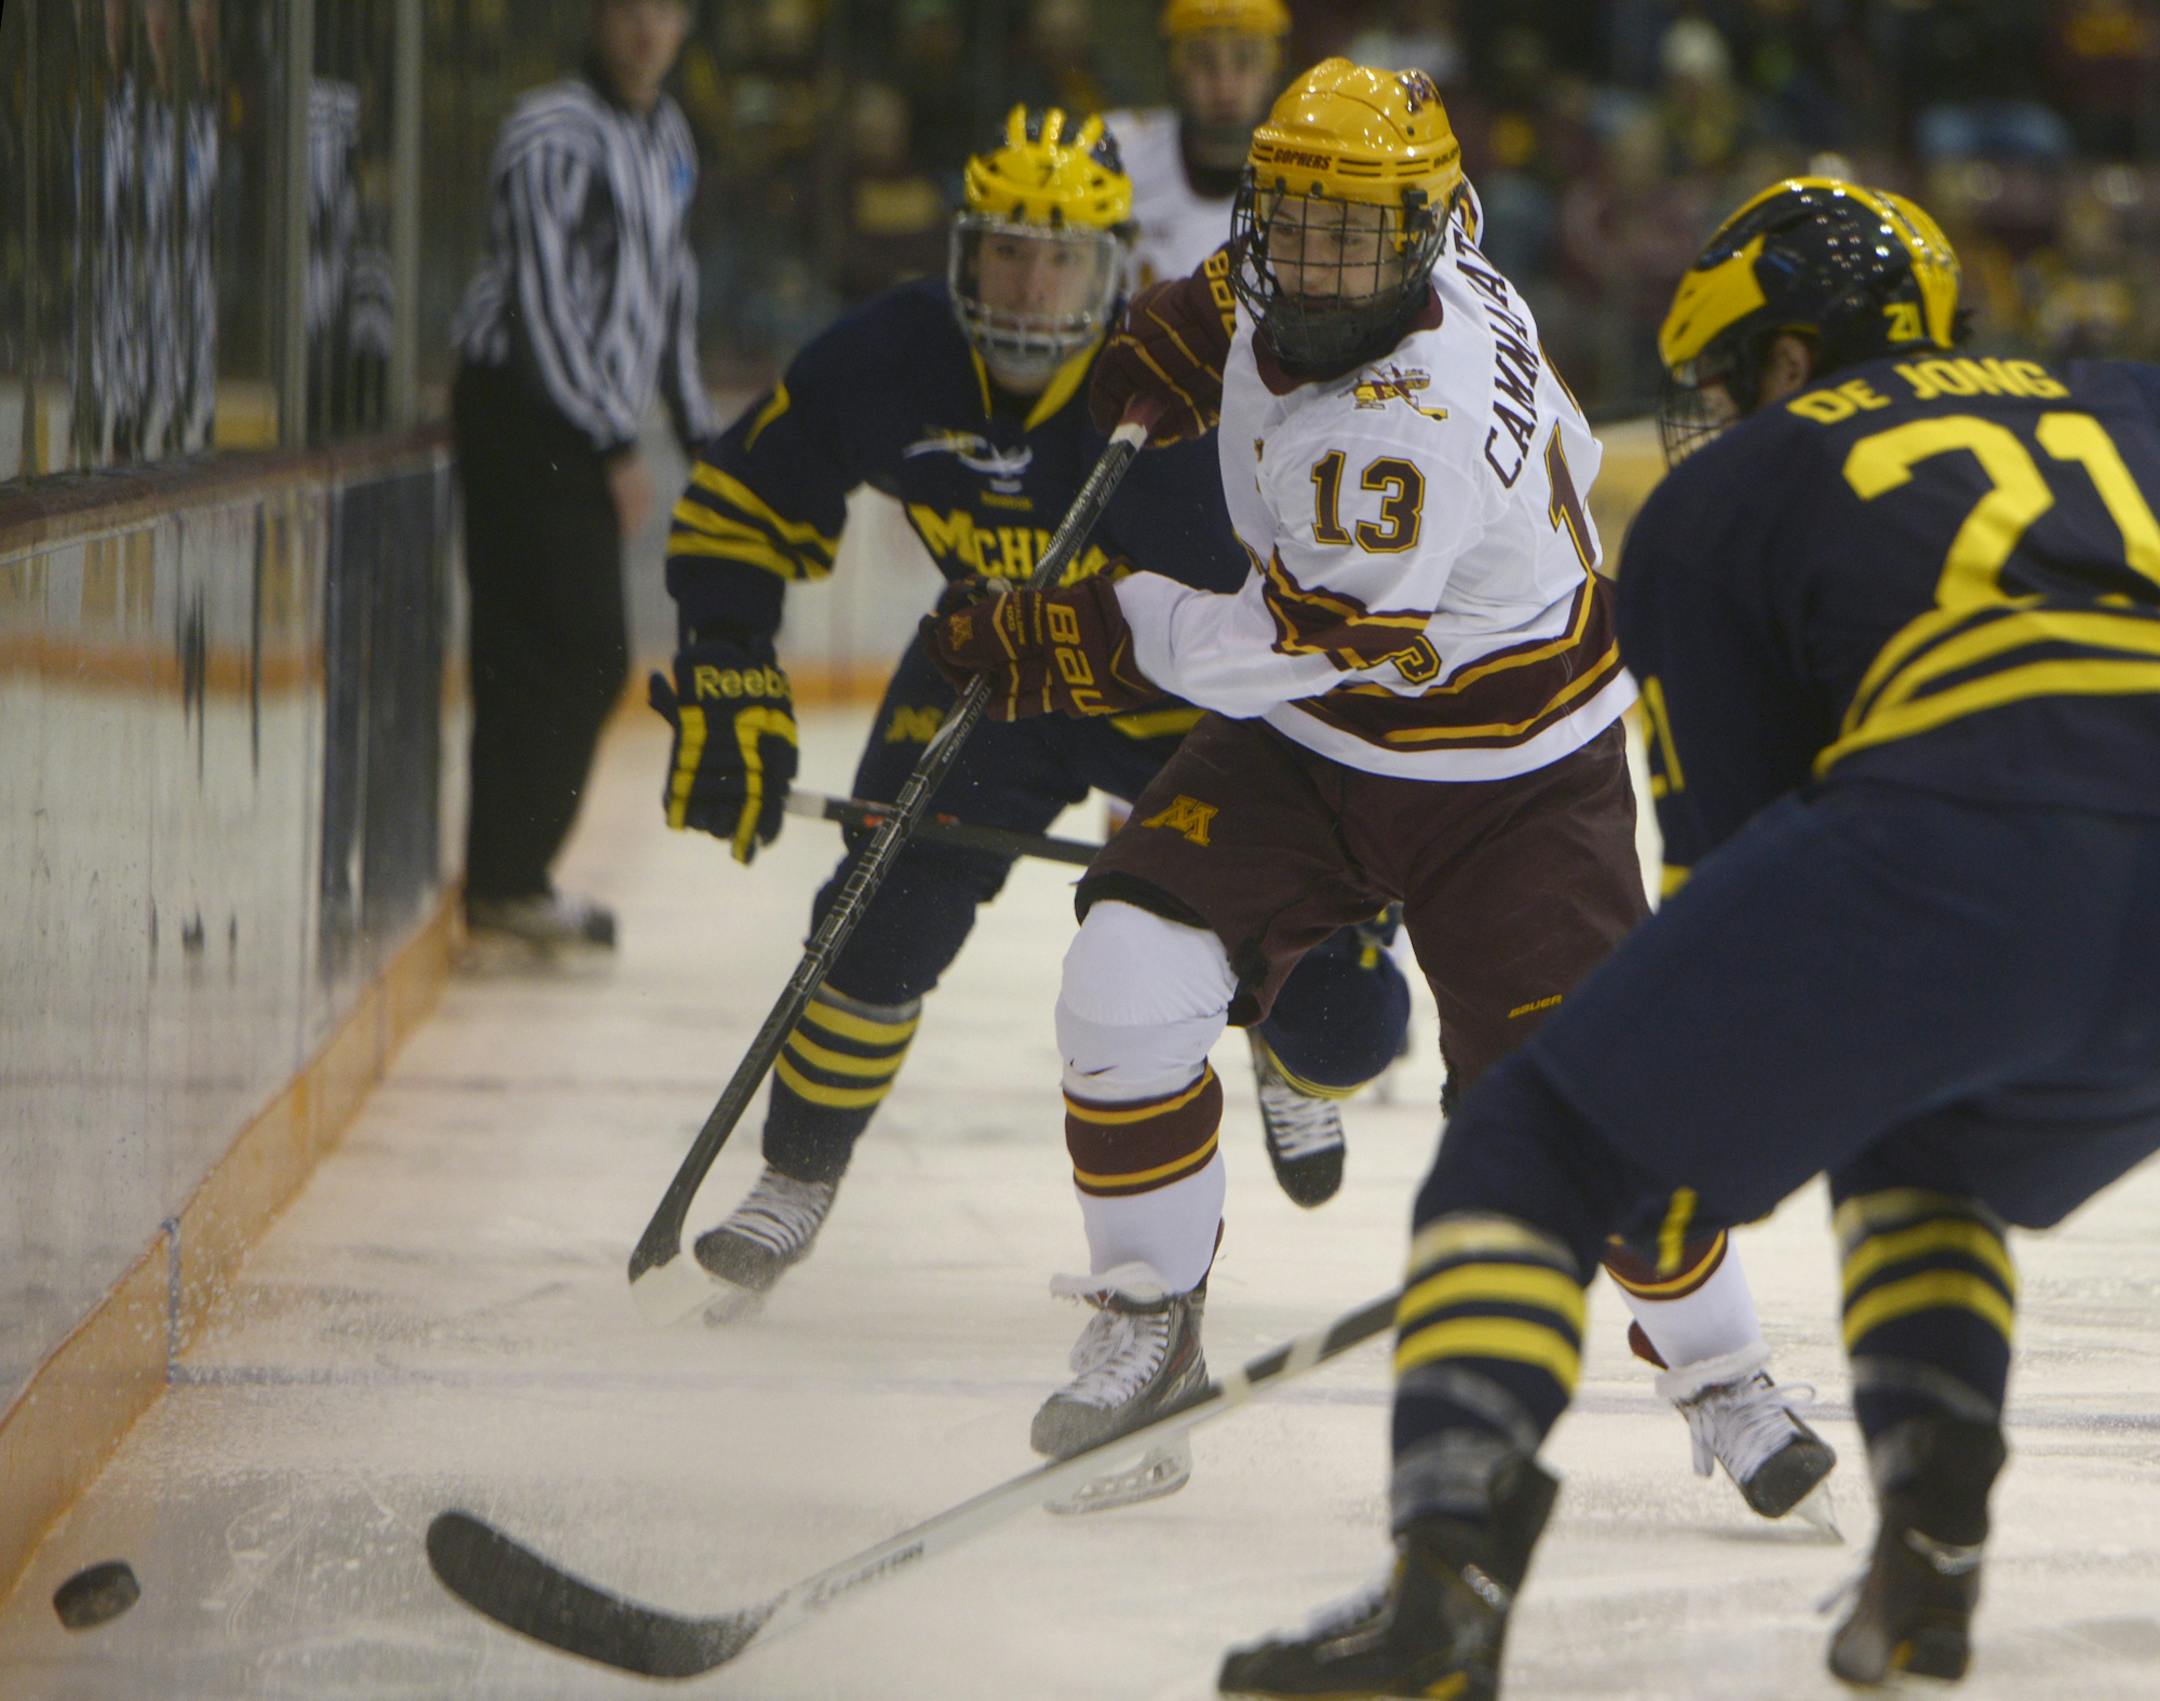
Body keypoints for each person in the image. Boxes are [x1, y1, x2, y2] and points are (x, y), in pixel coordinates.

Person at [1209, 175, 2160, 1697]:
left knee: (1528, 1143)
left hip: (1974, 823)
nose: (1712, 415)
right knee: (1924, 1145)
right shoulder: (2126, 399)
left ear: (1789, 364)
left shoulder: (1723, 503)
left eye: (1721, 383)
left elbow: (1750, 888)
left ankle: (1443, 1591)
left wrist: (1631, 1167)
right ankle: (1928, 1562)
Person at [927, 61, 1832, 1521]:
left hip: (1512, 779)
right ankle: (1150, 1317)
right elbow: (1270, 286)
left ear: (1421, 235)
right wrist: (1203, 310)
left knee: (1587, 1102)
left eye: (1351, 231)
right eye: (1290, 218)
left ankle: (1723, 1369)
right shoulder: (1402, 252)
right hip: (1333, 738)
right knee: (1122, 983)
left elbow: (1277, 644)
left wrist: (1076, 638)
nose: (1311, 255)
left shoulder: (1395, 432)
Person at [654, 107, 1412, 1341]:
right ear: (961, 253)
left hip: (1200, 709)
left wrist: (1353, 814)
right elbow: (742, 501)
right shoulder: (890, 356)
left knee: (1343, 1020)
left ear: (1118, 267)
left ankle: (1285, 1044)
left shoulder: (1200, 393)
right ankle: (796, 1170)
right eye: (1008, 248)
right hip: (991, 676)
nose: (1032, 279)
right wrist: (726, 659)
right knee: (873, 915)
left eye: (1062, 254)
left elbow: (1325, 614)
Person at [449, 0, 715, 956]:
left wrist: (700, 432)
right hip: (524, 416)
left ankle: (510, 877)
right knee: (557, 651)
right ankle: (506, 878)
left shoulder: (666, 135)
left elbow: (670, 291)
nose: (648, 28)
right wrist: (612, 441)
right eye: (628, 8)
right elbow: (540, 300)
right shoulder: (550, 130)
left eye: (666, 11)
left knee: (573, 654)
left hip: (580, 421)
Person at [1106, 0, 1290, 289]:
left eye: (1246, 59)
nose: (1225, 88)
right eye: (1203, 60)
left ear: (1274, 69)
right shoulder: (1113, 152)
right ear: (1174, 67)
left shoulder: (1304, 174)